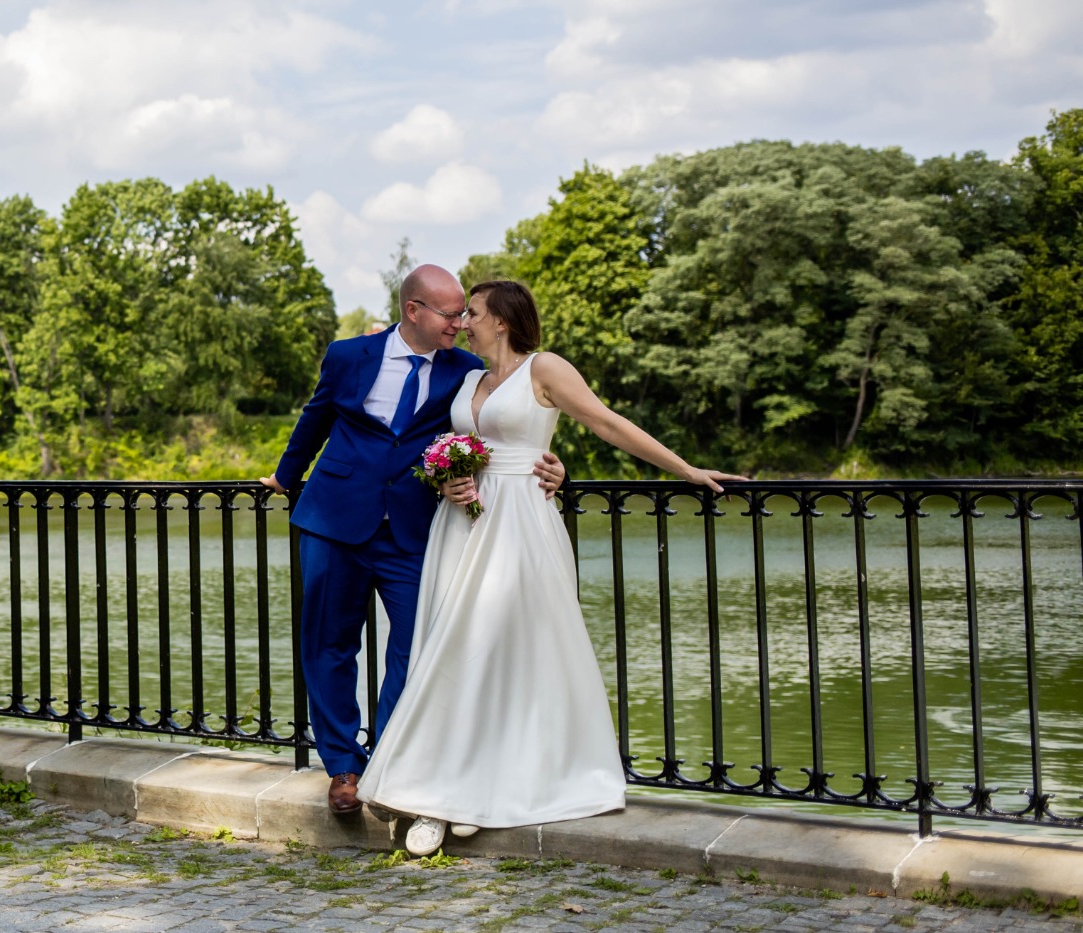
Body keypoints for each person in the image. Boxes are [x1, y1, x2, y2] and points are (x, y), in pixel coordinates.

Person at [358, 278, 749, 855]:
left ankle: (463, 793)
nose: (464, 319)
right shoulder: (466, 378)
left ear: (503, 322)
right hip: (461, 526)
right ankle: (452, 789)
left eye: (474, 312)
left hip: (519, 525)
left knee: (500, 649)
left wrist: (686, 471)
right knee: (452, 650)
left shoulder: (545, 368)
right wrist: (446, 476)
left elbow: (606, 422)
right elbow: (438, 444)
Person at [263, 265, 567, 816]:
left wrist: (553, 467)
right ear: (413, 311)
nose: (458, 324)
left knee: (419, 645)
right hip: (333, 519)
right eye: (451, 314)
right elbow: (316, 417)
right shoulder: (348, 355)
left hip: (413, 526)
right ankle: (343, 768)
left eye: (463, 315)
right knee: (328, 644)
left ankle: (391, 759)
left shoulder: (467, 371)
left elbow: (502, 429)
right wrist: (285, 477)